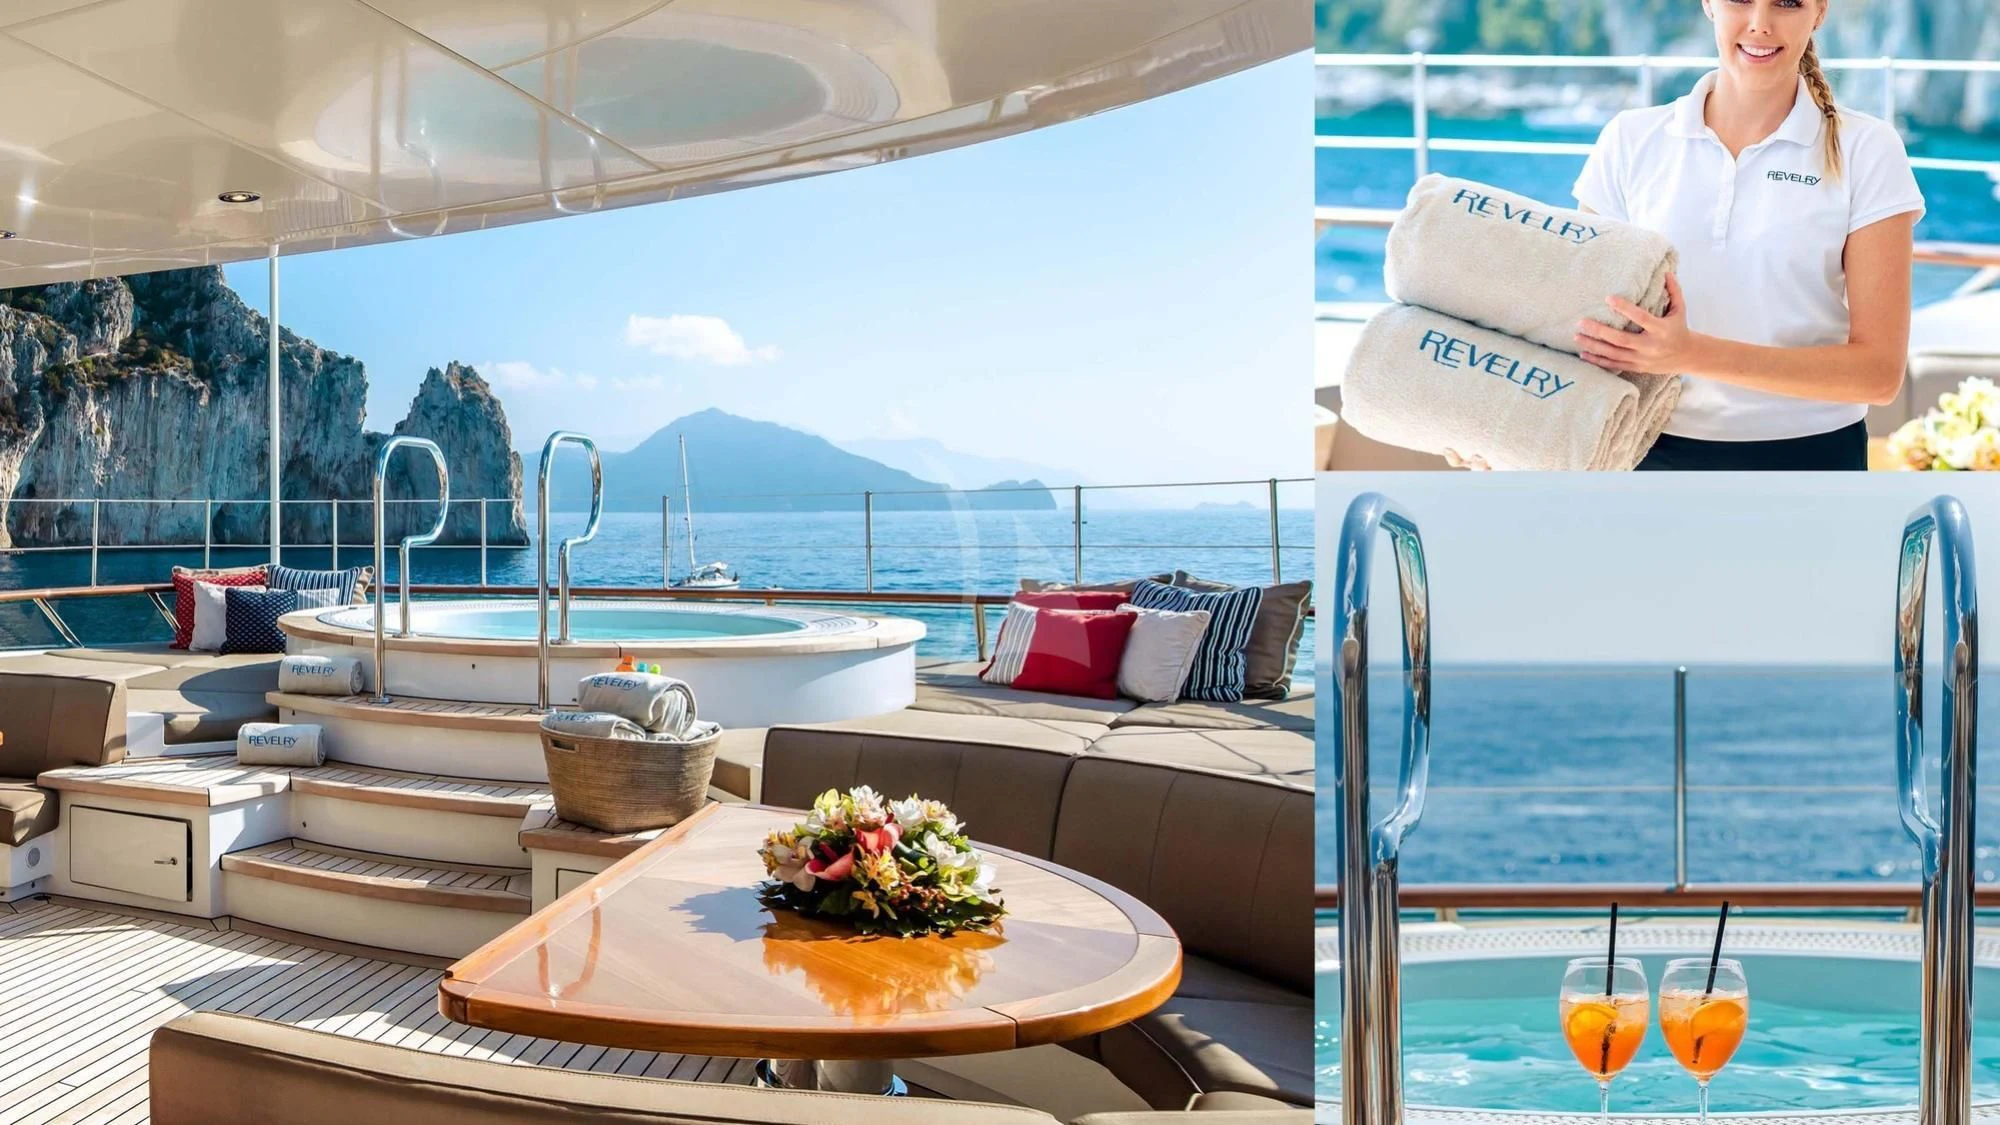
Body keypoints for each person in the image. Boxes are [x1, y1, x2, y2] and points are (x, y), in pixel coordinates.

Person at [1571, 0, 1925, 471]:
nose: (1760, 23)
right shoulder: (1630, 140)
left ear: (1818, 12)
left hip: (1813, 460)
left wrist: (1693, 353)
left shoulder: (1868, 149)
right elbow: (1580, 323)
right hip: (1642, 452)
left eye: (1787, 4)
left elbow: (1878, 375)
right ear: (1709, 5)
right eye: (1741, 0)